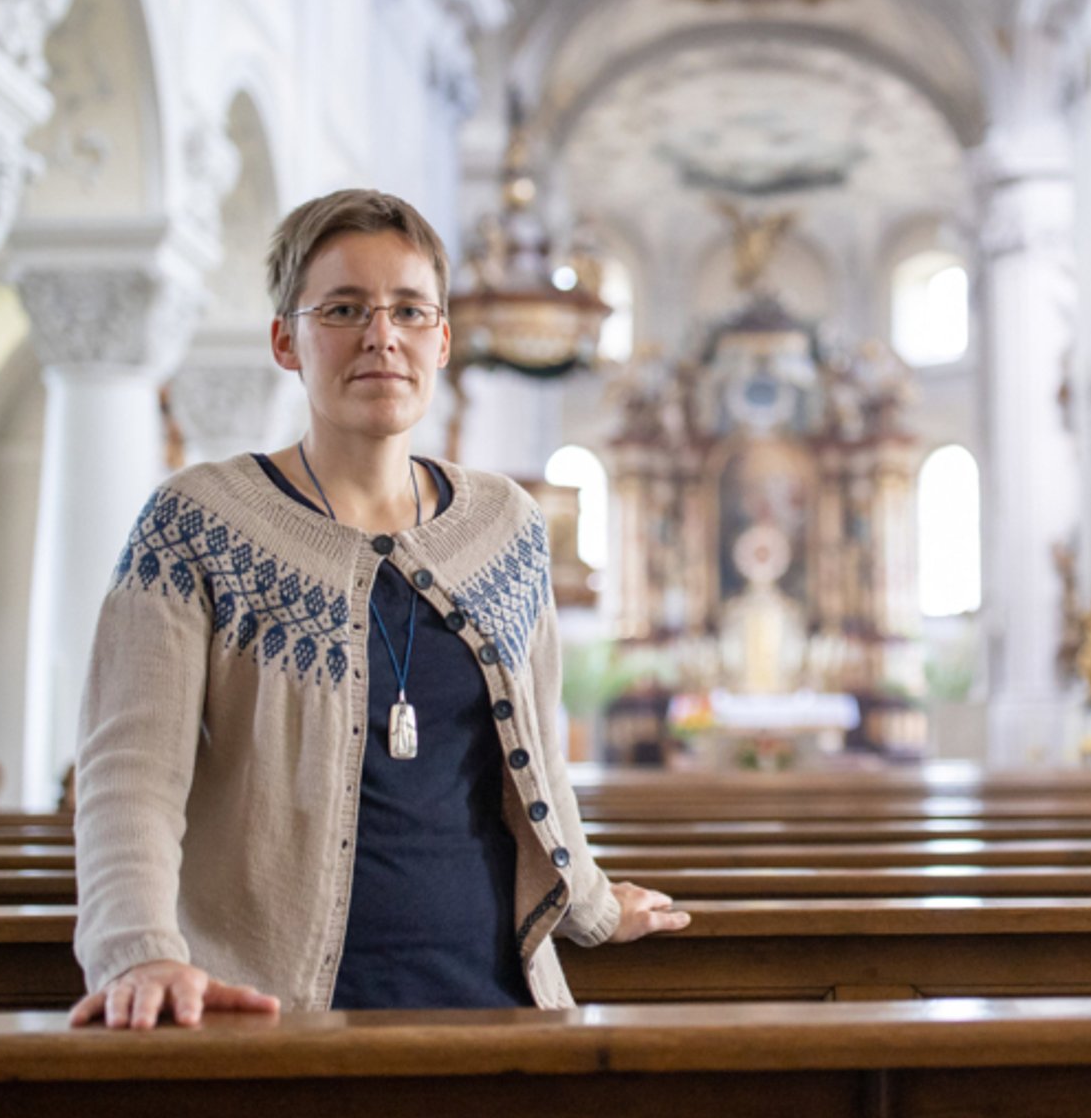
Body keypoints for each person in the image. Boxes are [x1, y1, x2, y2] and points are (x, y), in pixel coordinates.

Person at [68, 189, 688, 1030]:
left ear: (441, 337)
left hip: (496, 1004)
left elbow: (539, 752)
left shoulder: (507, 525)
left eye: (407, 310)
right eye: (344, 309)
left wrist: (589, 901)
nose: (380, 337)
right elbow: (131, 773)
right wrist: (138, 948)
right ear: (287, 339)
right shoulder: (197, 522)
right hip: (275, 1010)